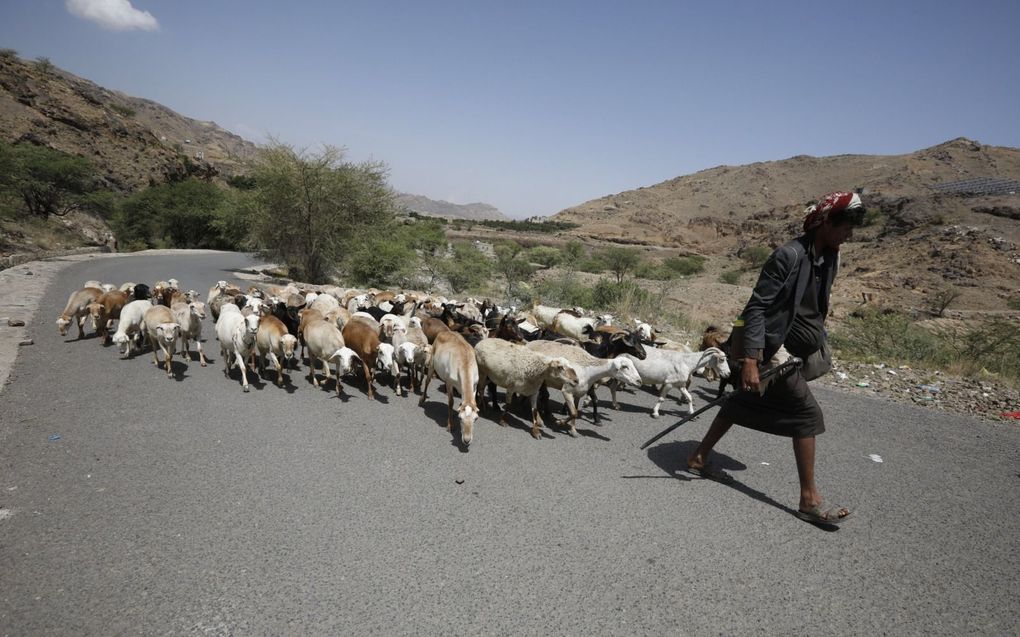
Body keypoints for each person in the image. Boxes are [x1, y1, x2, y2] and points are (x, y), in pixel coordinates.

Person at [686, 191, 866, 525]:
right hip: (770, 350)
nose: (849, 235)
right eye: (846, 228)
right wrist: (752, 360)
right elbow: (757, 307)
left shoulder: (828, 257)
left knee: (744, 401)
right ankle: (808, 500)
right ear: (826, 223)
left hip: (794, 351)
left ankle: (698, 456)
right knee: (806, 413)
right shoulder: (789, 256)